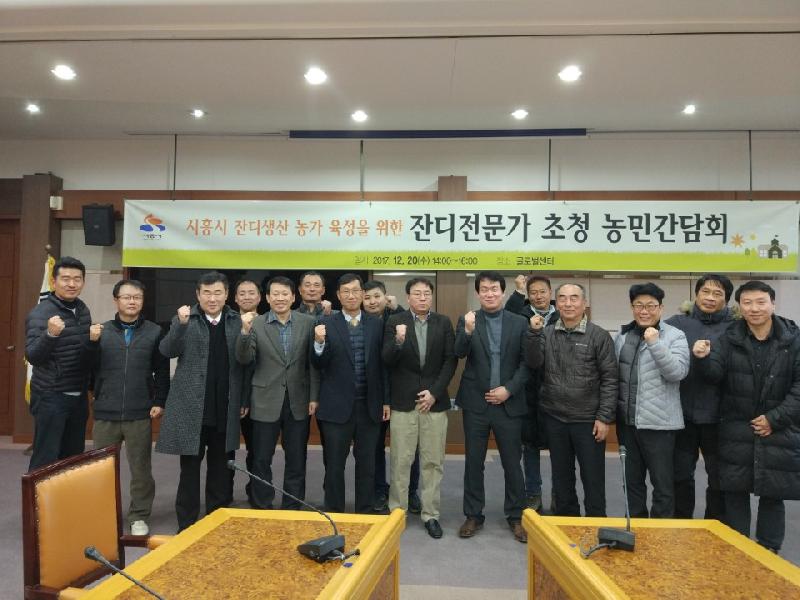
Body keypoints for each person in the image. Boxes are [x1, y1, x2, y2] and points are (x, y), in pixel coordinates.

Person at [694, 281, 800, 553]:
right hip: (736, 429)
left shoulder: (794, 340)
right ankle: (739, 552)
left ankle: (769, 553)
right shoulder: (729, 337)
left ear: (773, 304)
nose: (754, 308)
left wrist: (774, 419)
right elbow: (715, 375)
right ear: (739, 307)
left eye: (761, 302)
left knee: (773, 495)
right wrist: (703, 359)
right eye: (747, 303)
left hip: (779, 429)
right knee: (735, 494)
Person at [156, 271, 248, 532]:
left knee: (221, 470)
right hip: (191, 409)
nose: (212, 298)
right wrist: (180, 325)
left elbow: (245, 361)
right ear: (198, 295)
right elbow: (167, 350)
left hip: (224, 408)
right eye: (206, 293)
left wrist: (245, 332)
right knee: (189, 471)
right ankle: (186, 524)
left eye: (218, 292)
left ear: (227, 295)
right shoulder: (185, 319)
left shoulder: (235, 320)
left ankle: (215, 525)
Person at [526, 283, 617, 517]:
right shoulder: (546, 333)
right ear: (556, 303)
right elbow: (534, 363)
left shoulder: (599, 335)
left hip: (588, 420)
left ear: (584, 303)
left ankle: (596, 523)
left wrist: (604, 417)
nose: (568, 303)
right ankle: (567, 525)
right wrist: (534, 334)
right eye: (563, 298)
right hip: (555, 418)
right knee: (561, 479)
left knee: (593, 478)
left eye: (574, 298)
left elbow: (610, 379)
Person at [455, 271, 529, 543]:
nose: (489, 293)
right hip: (476, 403)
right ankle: (473, 514)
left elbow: (527, 363)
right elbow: (458, 352)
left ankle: (516, 516)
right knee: (474, 462)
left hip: (509, 402)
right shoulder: (468, 319)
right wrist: (467, 331)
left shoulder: (519, 322)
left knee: (512, 463)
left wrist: (508, 389)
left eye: (494, 288)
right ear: (477, 293)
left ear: (503, 291)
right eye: (484, 289)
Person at [92, 279, 170, 536]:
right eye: (126, 297)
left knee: (141, 469)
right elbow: (89, 369)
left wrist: (159, 400)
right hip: (106, 412)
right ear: (116, 300)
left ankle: (139, 515)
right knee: (102, 468)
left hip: (140, 412)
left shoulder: (154, 331)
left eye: (137, 297)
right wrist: (98, 392)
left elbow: (161, 370)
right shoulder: (101, 331)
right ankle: (104, 514)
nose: (132, 301)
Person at [235, 276, 319, 509]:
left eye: (285, 294)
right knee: (261, 458)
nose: (280, 298)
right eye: (275, 294)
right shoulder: (256, 323)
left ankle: (292, 506)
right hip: (264, 400)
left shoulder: (308, 322)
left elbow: (312, 364)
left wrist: (314, 396)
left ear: (293, 297)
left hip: (298, 400)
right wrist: (244, 332)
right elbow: (244, 358)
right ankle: (262, 505)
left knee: (296, 458)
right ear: (268, 298)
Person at [383, 277, 456, 538]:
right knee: (401, 460)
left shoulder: (443, 322)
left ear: (431, 297)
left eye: (426, 293)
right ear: (408, 297)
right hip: (404, 402)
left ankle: (430, 514)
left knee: (433, 461)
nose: (423, 297)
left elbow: (450, 360)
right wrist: (399, 340)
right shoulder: (395, 321)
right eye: (417, 293)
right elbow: (386, 359)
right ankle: (397, 512)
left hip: (434, 404)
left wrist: (434, 393)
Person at [312, 273, 389, 513]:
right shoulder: (325, 323)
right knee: (334, 464)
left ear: (362, 294)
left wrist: (386, 401)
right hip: (335, 406)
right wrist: (319, 343)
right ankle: (334, 511)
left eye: (356, 291)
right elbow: (318, 364)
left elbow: (383, 366)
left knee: (367, 464)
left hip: (369, 405)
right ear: (338, 295)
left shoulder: (376, 324)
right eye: (346, 291)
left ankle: (364, 510)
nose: (351, 295)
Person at [614, 283, 689, 518]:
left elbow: (677, 373)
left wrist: (655, 344)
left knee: (663, 485)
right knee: (631, 483)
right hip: (627, 424)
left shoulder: (675, 336)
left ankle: (661, 532)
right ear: (632, 307)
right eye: (639, 305)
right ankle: (636, 527)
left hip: (660, 426)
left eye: (650, 306)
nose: (644, 311)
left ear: (661, 308)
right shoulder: (623, 336)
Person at [666, 274, 734, 519]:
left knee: (719, 477)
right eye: (705, 292)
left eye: (718, 294)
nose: (710, 298)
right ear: (696, 294)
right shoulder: (676, 323)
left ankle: (715, 526)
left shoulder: (736, 328)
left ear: (726, 299)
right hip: (683, 415)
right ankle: (681, 525)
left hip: (720, 417)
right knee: (680, 475)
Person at [25, 256, 100, 471]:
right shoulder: (40, 313)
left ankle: (67, 495)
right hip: (51, 396)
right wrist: (50, 334)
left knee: (73, 458)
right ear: (54, 281)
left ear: (83, 282)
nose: (72, 284)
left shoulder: (82, 310)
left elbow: (84, 355)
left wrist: (93, 342)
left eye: (77, 279)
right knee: (45, 458)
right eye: (65, 279)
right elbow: (33, 356)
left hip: (78, 395)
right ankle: (36, 495)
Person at [363, 279, 421, 514]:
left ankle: (410, 491)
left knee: (409, 449)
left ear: (385, 297)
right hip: (374, 397)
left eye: (377, 296)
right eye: (367, 297)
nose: (372, 301)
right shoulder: (361, 323)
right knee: (374, 448)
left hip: (402, 395)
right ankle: (379, 490)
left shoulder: (397, 318)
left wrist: (397, 308)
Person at [505, 274, 560, 511]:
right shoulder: (522, 315)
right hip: (528, 392)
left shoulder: (562, 315)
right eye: (533, 292)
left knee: (560, 448)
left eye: (542, 291)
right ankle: (533, 494)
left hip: (557, 391)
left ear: (550, 292)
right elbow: (507, 314)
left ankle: (559, 494)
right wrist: (518, 291)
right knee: (530, 447)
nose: (538, 296)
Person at [233, 278, 262, 505]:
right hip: (231, 395)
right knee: (226, 450)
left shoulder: (267, 323)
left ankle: (256, 494)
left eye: (251, 293)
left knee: (256, 450)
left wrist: (247, 399)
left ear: (260, 297)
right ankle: (223, 494)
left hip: (258, 397)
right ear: (235, 298)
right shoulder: (228, 322)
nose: (246, 297)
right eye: (242, 293)